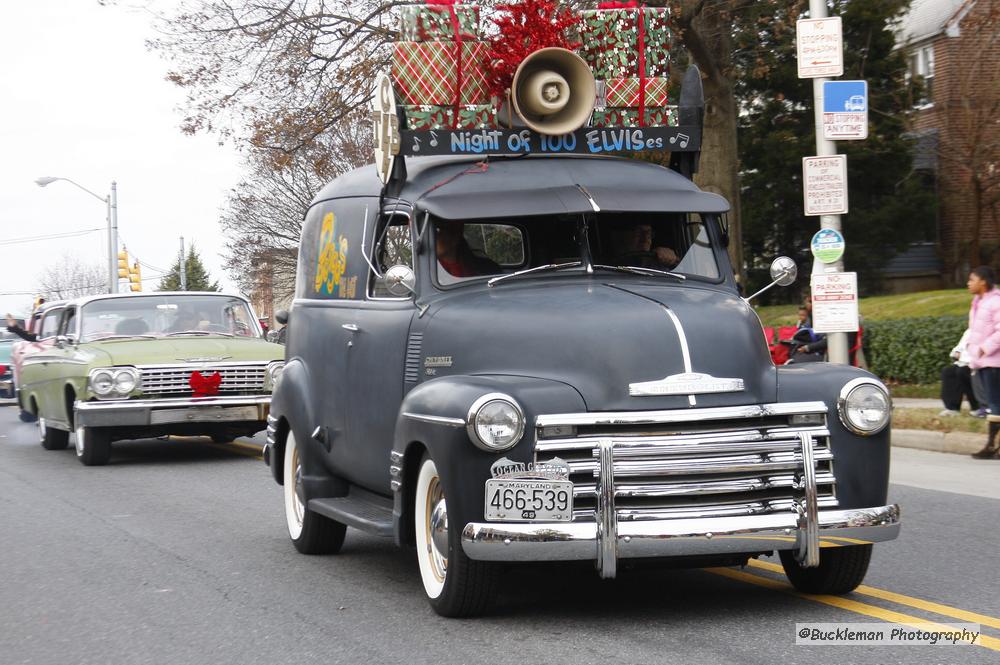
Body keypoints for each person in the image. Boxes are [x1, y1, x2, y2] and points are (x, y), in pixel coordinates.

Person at [966, 266, 1000, 459]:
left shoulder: (995, 302)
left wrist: (985, 348)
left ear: (983, 282)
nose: (968, 283)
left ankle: (991, 446)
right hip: (983, 361)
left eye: (972, 279)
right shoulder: (978, 301)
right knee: (993, 403)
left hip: (994, 361)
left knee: (995, 404)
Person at [435, 220, 499, 279]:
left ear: (454, 238)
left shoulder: (486, 268)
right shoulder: (430, 269)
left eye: (438, 231)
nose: (432, 238)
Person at [939, 329, 981, 416]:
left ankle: (977, 407)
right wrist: (956, 352)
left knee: (963, 372)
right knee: (948, 372)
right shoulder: (969, 331)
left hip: (977, 364)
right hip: (963, 362)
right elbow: (958, 348)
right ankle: (952, 408)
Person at [612, 223, 679, 269]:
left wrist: (672, 260)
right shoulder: (606, 265)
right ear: (623, 236)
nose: (645, 239)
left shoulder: (657, 265)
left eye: (648, 233)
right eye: (638, 233)